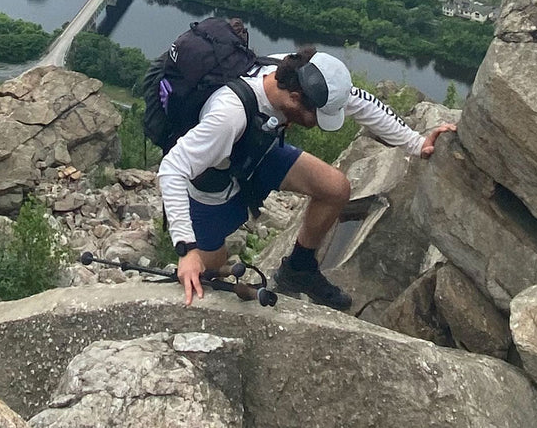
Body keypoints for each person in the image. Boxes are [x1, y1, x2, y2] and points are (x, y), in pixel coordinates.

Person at [159, 47, 455, 310]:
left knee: (335, 188)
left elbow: (361, 103)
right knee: (210, 267)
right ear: (297, 98)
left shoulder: (299, 75)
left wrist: (416, 144)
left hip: (259, 155)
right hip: (212, 192)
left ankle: (299, 269)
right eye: (316, 117)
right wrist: (185, 249)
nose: (315, 125)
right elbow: (172, 168)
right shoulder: (228, 116)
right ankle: (207, 266)